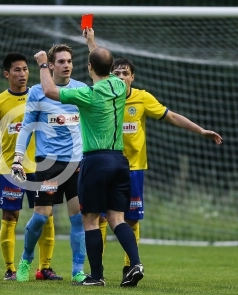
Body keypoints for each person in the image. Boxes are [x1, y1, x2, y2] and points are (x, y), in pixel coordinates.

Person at [31, 28, 144, 287]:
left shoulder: (87, 95)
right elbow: (102, 61)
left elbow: (48, 90)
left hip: (95, 161)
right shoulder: (119, 84)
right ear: (111, 68)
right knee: (117, 218)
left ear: (88, 66)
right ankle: (135, 264)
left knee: (90, 219)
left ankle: (96, 276)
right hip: (119, 160)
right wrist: (91, 42)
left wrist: (43, 65)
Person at [98, 58, 223, 280]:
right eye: (116, 73)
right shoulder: (104, 97)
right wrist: (90, 41)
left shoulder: (142, 97)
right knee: (100, 219)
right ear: (110, 76)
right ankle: (97, 270)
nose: (120, 77)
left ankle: (130, 268)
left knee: (131, 219)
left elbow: (172, 116)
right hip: (106, 165)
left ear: (132, 77)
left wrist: (201, 130)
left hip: (134, 168)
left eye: (125, 73)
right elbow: (97, 63)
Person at [12, 44, 87, 284]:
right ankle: (25, 259)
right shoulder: (37, 92)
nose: (66, 65)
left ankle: (78, 270)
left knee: (78, 218)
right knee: (42, 216)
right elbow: (26, 127)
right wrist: (18, 157)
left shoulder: (82, 90)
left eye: (69, 61)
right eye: (61, 61)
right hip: (49, 164)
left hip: (77, 163)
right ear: (51, 65)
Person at [0, 52, 60, 281]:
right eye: (17, 70)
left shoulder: (41, 95)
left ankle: (44, 268)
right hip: (10, 168)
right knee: (10, 216)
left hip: (41, 166)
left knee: (47, 215)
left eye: (25, 69)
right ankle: (10, 269)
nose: (23, 74)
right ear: (7, 74)